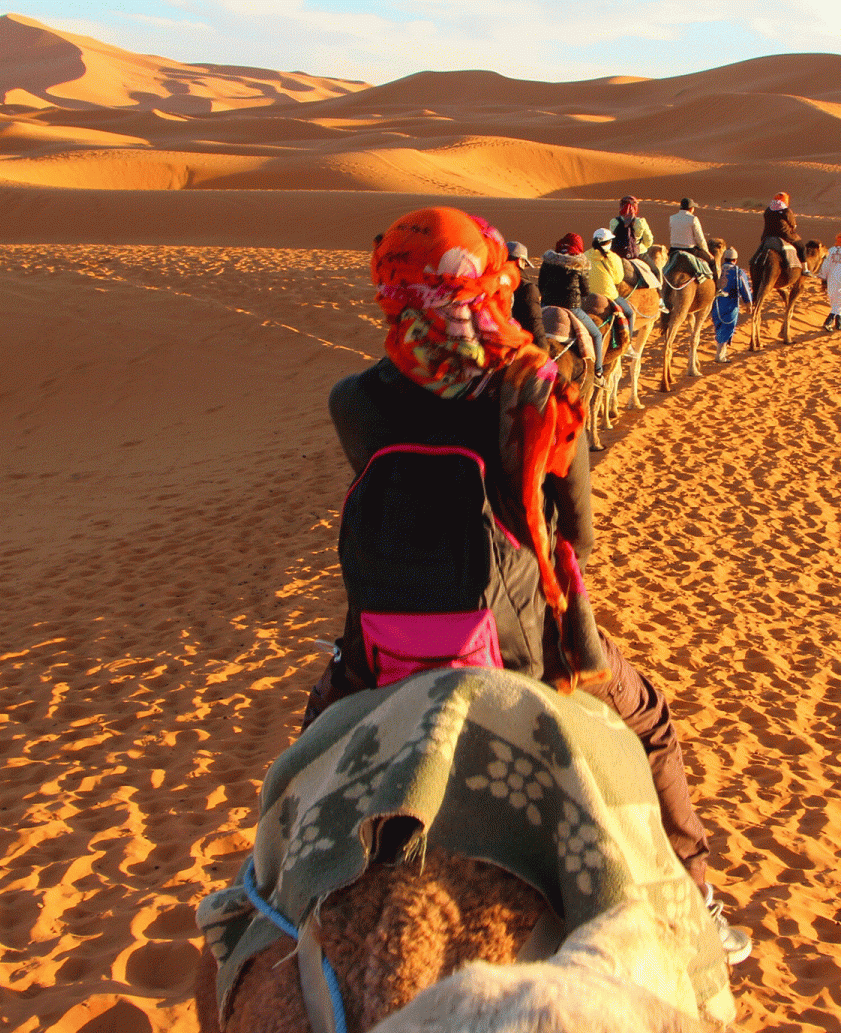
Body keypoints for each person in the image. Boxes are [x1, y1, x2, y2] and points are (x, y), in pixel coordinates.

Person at [319, 207, 748, 963]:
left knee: (312, 753)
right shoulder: (534, 384)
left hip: (382, 642)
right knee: (649, 723)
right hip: (527, 638)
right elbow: (575, 535)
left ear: (392, 284)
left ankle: (269, 909)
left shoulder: (354, 400)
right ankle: (696, 904)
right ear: (488, 278)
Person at [539, 232, 603, 364]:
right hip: (572, 307)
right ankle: (598, 371)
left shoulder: (547, 261)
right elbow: (585, 291)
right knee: (597, 335)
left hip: (546, 305)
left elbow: (540, 285)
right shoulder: (580, 264)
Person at [710, 246, 752, 364]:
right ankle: (720, 356)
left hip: (716, 304)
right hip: (730, 304)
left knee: (719, 327)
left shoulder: (717, 270)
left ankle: (722, 353)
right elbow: (744, 287)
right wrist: (748, 303)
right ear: (735, 260)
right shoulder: (738, 271)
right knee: (727, 328)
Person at [506, 241, 546, 349]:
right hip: (520, 347)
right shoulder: (528, 288)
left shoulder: (492, 281)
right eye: (525, 264)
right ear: (519, 261)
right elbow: (535, 322)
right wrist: (544, 350)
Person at [667, 197, 715, 277]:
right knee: (712, 261)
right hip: (690, 250)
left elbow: (671, 231)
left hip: (673, 250)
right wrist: (707, 252)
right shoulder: (693, 219)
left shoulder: (672, 218)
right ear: (691, 209)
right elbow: (700, 239)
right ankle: (716, 287)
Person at [607, 195, 654, 260]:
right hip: (638, 253)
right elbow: (649, 241)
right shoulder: (641, 222)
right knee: (655, 270)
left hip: (617, 254)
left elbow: (611, 239)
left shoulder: (614, 222)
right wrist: (641, 247)